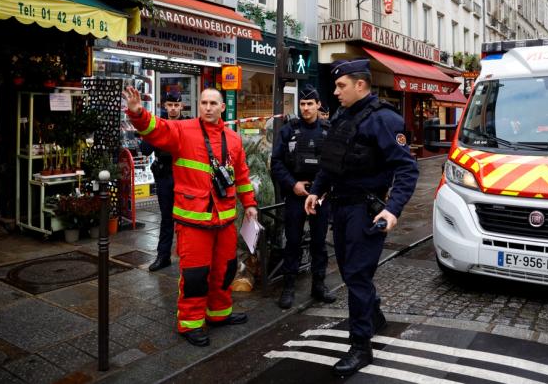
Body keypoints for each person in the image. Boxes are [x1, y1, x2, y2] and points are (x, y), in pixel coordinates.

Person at [304, 59, 419, 376]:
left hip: (365, 211)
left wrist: (392, 208)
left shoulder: (383, 120)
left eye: (341, 86)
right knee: (351, 271)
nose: (336, 92)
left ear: (360, 85)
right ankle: (375, 315)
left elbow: (407, 169)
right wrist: (316, 190)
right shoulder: (344, 116)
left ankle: (360, 346)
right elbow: (331, 161)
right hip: (340, 209)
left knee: (355, 276)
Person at [123, 86, 258, 347]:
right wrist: (137, 112)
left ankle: (219, 313)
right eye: (203, 103)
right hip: (193, 221)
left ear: (222, 108)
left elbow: (241, 175)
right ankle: (190, 323)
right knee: (195, 277)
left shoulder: (233, 139)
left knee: (225, 271)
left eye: (212, 103)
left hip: (225, 220)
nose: (207, 107)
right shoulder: (183, 130)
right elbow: (156, 129)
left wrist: (249, 204)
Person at [271, 84, 336, 309]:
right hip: (296, 195)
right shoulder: (289, 129)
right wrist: (293, 184)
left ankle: (319, 286)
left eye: (310, 104)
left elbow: (336, 164)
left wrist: (324, 189)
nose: (306, 108)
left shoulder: (329, 130)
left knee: (319, 243)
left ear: (319, 105)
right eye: (302, 104)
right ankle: (288, 288)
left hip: (320, 196)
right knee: (293, 242)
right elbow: (276, 162)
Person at [139, 90, 184, 272]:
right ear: (164, 106)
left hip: (184, 175)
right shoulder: (159, 124)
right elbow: (145, 149)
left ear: (181, 106)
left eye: (176, 105)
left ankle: (187, 256)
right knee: (166, 218)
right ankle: (163, 256)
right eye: (170, 105)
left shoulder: (188, 124)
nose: (173, 109)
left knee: (185, 218)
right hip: (165, 174)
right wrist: (155, 133)